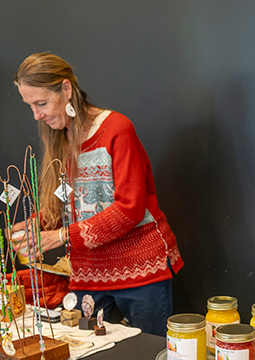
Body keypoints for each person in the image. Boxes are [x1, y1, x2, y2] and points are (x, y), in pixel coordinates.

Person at [11, 53, 183, 336]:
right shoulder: (61, 139)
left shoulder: (117, 129)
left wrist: (61, 236)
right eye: (30, 106)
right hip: (89, 272)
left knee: (148, 359)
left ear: (66, 89)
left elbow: (129, 208)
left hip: (139, 269)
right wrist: (42, 222)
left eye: (41, 103)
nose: (36, 115)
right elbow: (69, 196)